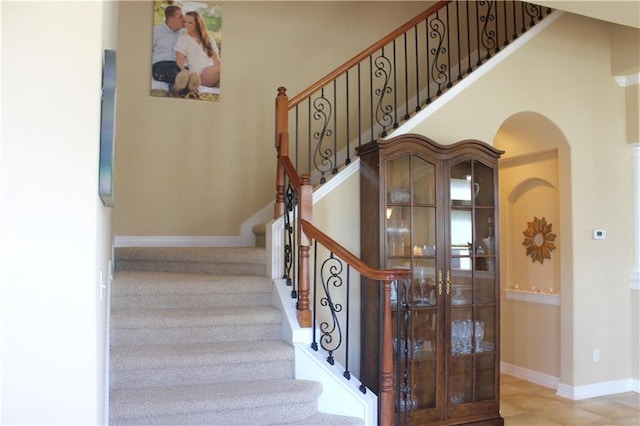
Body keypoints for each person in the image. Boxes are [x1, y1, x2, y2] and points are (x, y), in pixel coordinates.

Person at [152, 5, 201, 94]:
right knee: (174, 71)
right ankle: (190, 87)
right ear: (171, 19)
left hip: (180, 65)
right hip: (160, 65)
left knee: (183, 71)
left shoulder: (185, 33)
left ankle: (176, 88)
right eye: (180, 17)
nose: (184, 19)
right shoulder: (155, 31)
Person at [174, 11, 221, 88]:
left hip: (211, 69)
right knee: (219, 69)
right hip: (197, 73)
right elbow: (180, 60)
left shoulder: (209, 39)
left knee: (225, 66)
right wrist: (185, 74)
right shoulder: (183, 38)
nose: (186, 24)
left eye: (190, 23)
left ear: (198, 24)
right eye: (185, 21)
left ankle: (218, 82)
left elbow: (216, 59)